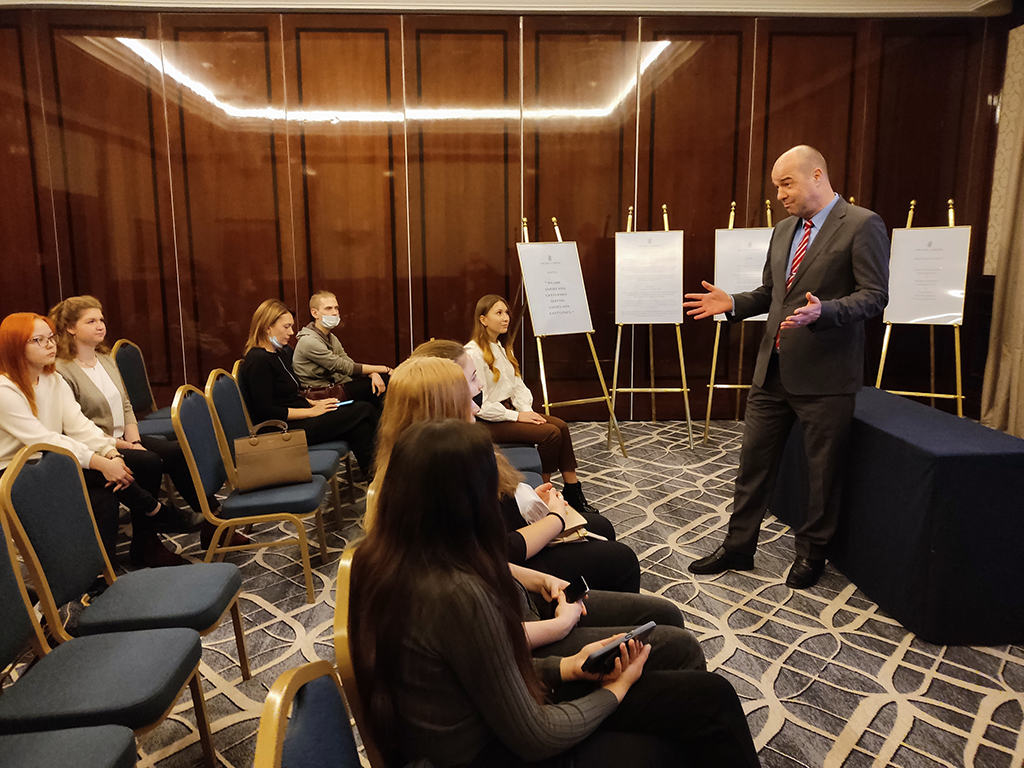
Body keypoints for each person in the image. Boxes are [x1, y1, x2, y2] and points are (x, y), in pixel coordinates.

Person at [350, 419, 761, 767]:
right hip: (485, 751)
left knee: (700, 696)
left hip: (477, 728)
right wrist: (615, 690)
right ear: (468, 503)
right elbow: (536, 736)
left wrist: (568, 667)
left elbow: (481, 674)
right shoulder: (456, 592)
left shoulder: (385, 556)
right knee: (695, 718)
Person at [683, 145, 889, 589]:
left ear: (817, 175)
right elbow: (771, 293)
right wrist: (734, 303)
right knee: (751, 466)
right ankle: (738, 547)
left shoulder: (862, 224)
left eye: (786, 184)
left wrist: (826, 311)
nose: (779, 194)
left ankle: (812, 553)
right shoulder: (783, 230)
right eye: (777, 186)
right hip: (771, 371)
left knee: (822, 474)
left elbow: (874, 296)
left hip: (826, 377)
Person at [370, 353, 640, 593]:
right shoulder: (442, 470)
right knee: (621, 560)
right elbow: (495, 553)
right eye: (467, 392)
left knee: (601, 530)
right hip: (497, 578)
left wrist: (530, 504)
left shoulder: (421, 459)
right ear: (441, 410)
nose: (476, 404)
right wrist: (555, 519)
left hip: (496, 564)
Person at [48, 295, 245, 554]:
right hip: (96, 445)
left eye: (101, 320)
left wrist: (135, 441)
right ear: (71, 328)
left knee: (175, 451)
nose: (101, 325)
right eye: (91, 321)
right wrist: (127, 446)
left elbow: (126, 405)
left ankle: (213, 520)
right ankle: (147, 541)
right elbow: (78, 427)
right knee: (148, 462)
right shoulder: (62, 370)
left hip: (124, 438)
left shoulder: (105, 359)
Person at [0, 312, 183, 567]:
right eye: (38, 340)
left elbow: (79, 425)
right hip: (17, 471)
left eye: (51, 337)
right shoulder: (5, 390)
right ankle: (155, 511)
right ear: (15, 346)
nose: (50, 345)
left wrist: (111, 453)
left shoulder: (53, 379)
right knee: (106, 482)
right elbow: (43, 440)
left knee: (140, 467)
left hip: (55, 460)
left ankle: (133, 549)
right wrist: (100, 462)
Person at [466, 294, 599, 514]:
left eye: (506, 312)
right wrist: (517, 417)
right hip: (487, 420)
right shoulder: (474, 353)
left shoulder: (502, 347)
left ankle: (573, 490)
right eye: (498, 313)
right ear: (483, 319)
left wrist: (526, 411)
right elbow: (481, 404)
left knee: (561, 426)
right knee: (550, 434)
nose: (506, 318)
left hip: (507, 413)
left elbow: (517, 386)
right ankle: (545, 491)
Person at [236, 299, 378, 476]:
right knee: (364, 409)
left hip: (301, 416)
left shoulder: (280, 352)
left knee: (360, 427)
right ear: (267, 327)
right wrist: (312, 412)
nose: (291, 332)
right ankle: (389, 468)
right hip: (285, 429)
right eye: (286, 327)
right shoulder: (258, 361)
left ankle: (376, 479)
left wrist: (313, 403)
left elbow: (289, 394)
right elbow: (267, 411)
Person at [292, 290, 393, 411]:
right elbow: (342, 367)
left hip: (336, 386)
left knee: (378, 385)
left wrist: (372, 373)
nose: (335, 313)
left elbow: (347, 362)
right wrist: (385, 368)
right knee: (385, 380)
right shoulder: (309, 341)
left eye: (336, 308)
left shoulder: (330, 337)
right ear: (315, 313)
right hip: (321, 393)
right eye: (328, 308)